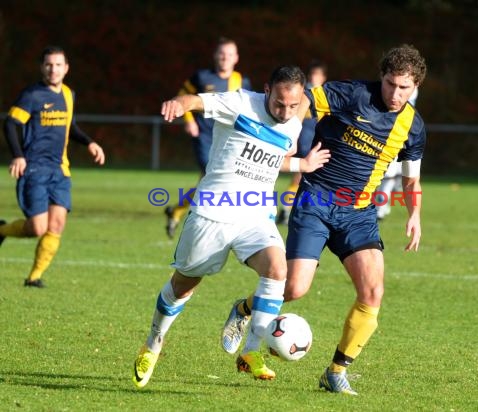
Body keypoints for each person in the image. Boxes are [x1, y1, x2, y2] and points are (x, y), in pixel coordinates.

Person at [221, 44, 427, 395]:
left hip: (358, 213)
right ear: (382, 77)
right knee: (295, 289)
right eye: (391, 84)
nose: (395, 93)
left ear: (416, 86)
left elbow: (410, 178)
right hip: (315, 200)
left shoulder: (413, 126)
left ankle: (335, 372)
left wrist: (414, 214)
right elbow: (302, 101)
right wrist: (288, 137)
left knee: (373, 292)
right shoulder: (352, 93)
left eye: (403, 88)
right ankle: (242, 308)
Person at [132, 65, 330, 389]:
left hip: (255, 215)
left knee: (278, 270)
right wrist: (178, 104)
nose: (285, 112)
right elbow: (195, 101)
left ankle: (251, 352)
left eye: (293, 106)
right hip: (213, 213)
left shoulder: (292, 122)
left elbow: (271, 157)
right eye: (280, 104)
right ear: (267, 90)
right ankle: (154, 342)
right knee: (184, 284)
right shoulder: (240, 103)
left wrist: (302, 164)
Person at [0, 45, 105, 288]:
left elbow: (71, 126)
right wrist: (18, 156)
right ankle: (3, 230)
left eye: (58, 65)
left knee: (56, 225)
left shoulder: (68, 94)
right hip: (34, 169)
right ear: (42, 67)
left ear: (66, 69)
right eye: (48, 64)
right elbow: (10, 123)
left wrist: (89, 143)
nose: (53, 69)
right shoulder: (32, 95)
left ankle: (34, 277)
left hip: (60, 169)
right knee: (38, 228)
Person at [164, 37, 252, 238]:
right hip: (204, 135)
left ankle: (177, 210)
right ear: (215, 55)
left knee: (208, 180)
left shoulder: (242, 81)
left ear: (236, 58)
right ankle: (209, 223)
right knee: (211, 176)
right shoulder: (201, 77)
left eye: (229, 54)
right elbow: (181, 97)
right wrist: (189, 120)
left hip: (230, 138)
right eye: (222, 53)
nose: (225, 58)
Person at [277, 59, 327, 224]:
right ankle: (287, 208)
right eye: (312, 74)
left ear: (323, 78)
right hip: (304, 141)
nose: (314, 78)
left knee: (303, 177)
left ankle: (291, 209)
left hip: (316, 141)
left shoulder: (326, 97)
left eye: (318, 75)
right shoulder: (302, 96)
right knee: (301, 175)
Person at [375, 86, 419, 220]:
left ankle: (382, 206)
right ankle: (380, 208)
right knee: (388, 176)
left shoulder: (410, 92)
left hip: (401, 138)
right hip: (390, 137)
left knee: (399, 177)